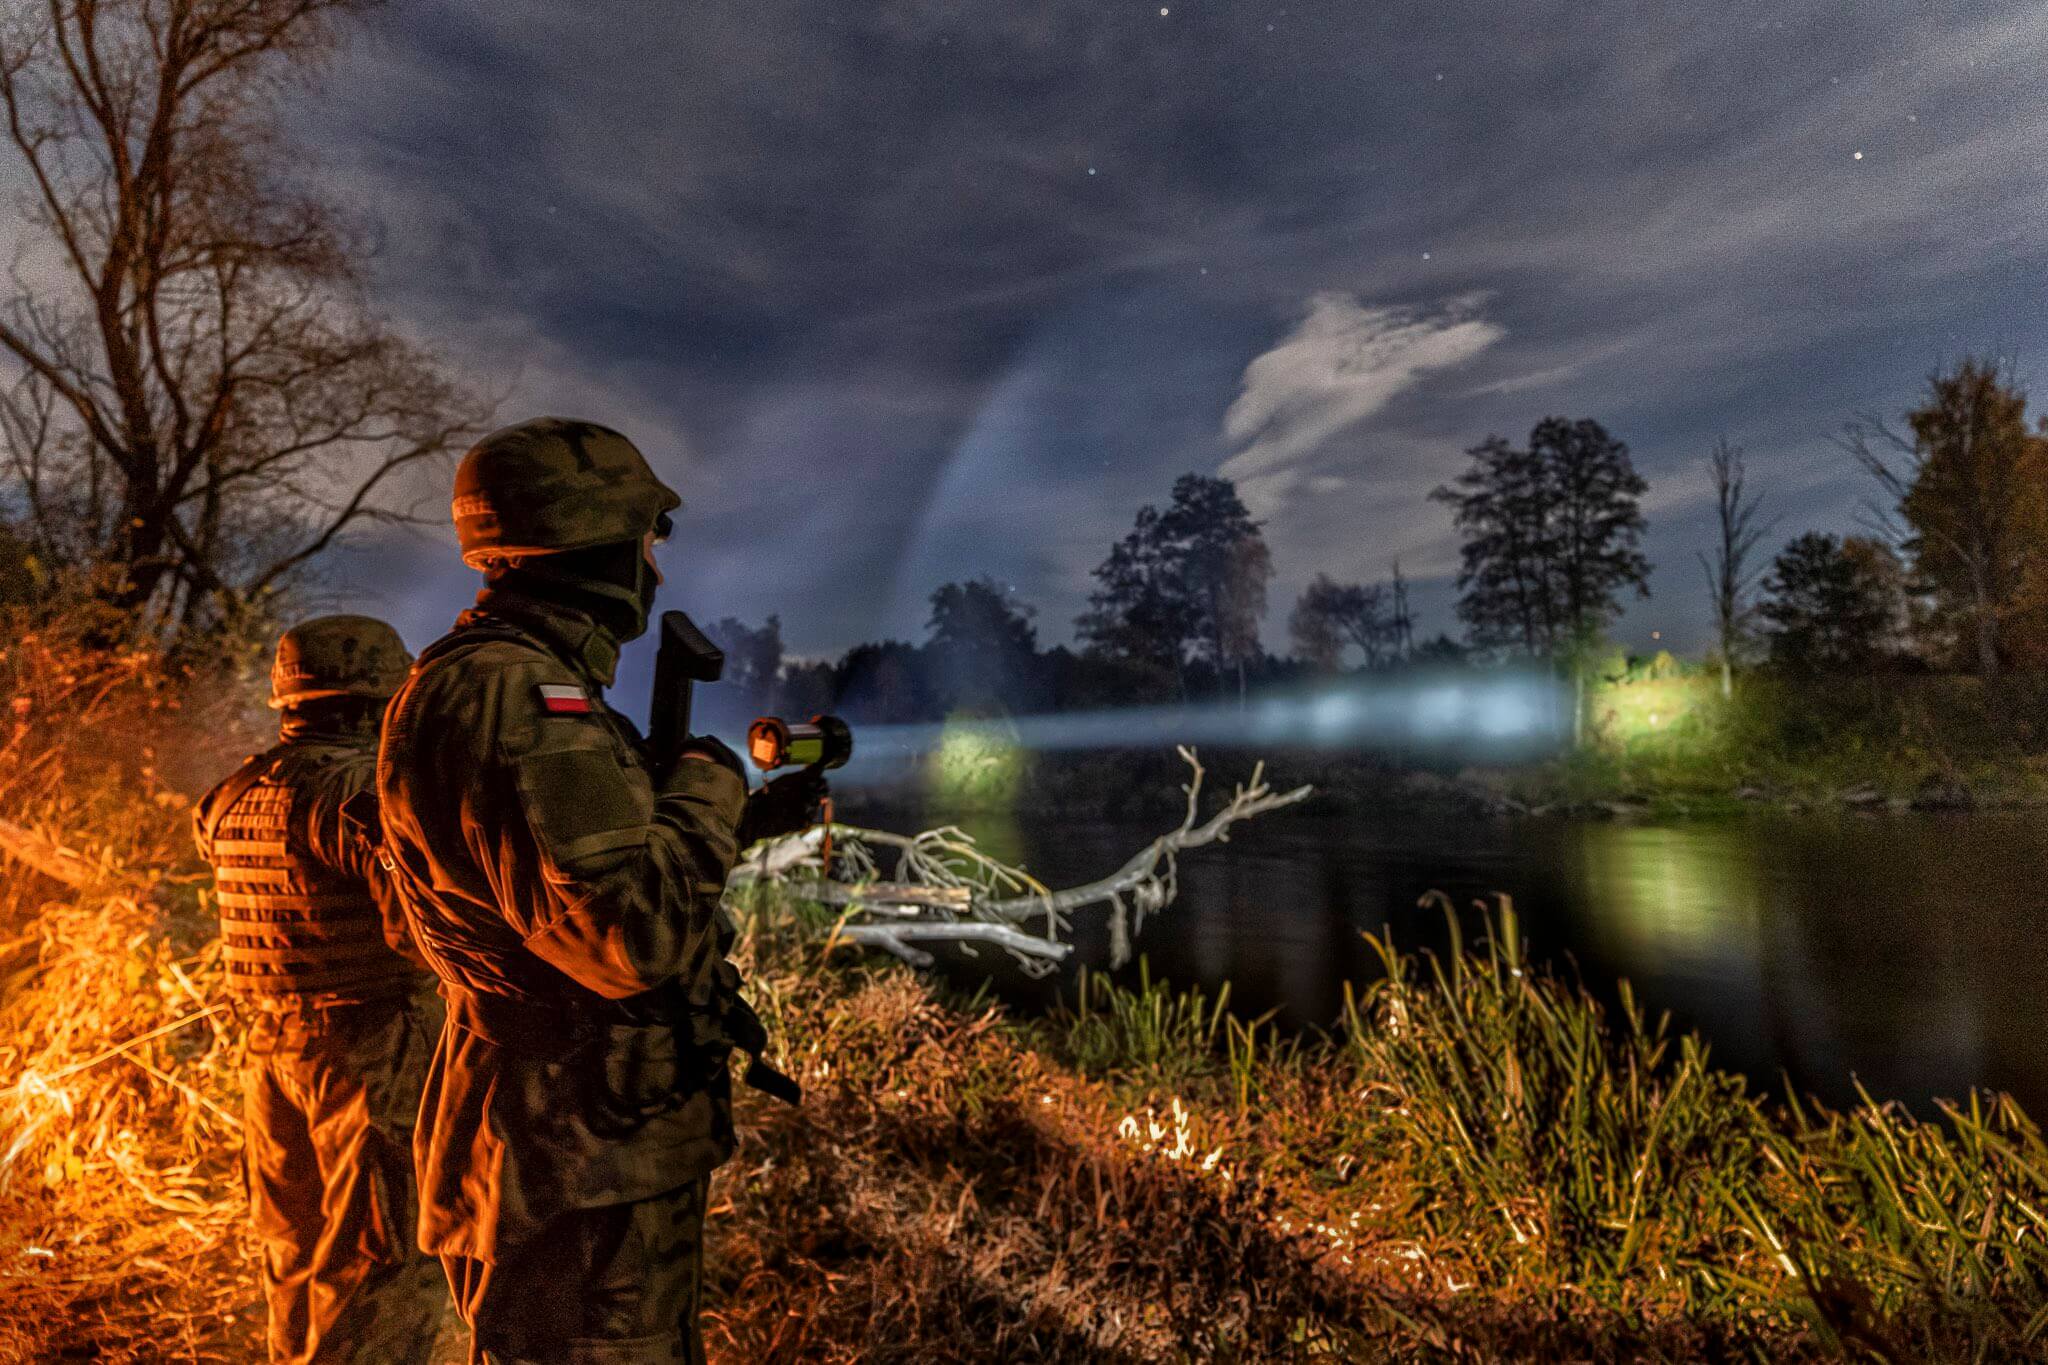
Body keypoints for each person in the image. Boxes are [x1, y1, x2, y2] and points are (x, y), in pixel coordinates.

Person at [377, 417, 814, 1364]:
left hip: (572, 1139)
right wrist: (709, 779)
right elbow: (624, 935)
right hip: (573, 1152)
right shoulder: (526, 696)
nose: (655, 563)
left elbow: (558, 863)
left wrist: (737, 818)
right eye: (645, 538)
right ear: (597, 542)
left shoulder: (491, 681)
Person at [192, 614, 446, 1364]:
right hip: (367, 1054)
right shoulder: (358, 797)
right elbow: (421, 932)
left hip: (268, 1050)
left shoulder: (234, 793)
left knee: (294, 1256)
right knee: (379, 1262)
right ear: (377, 703)